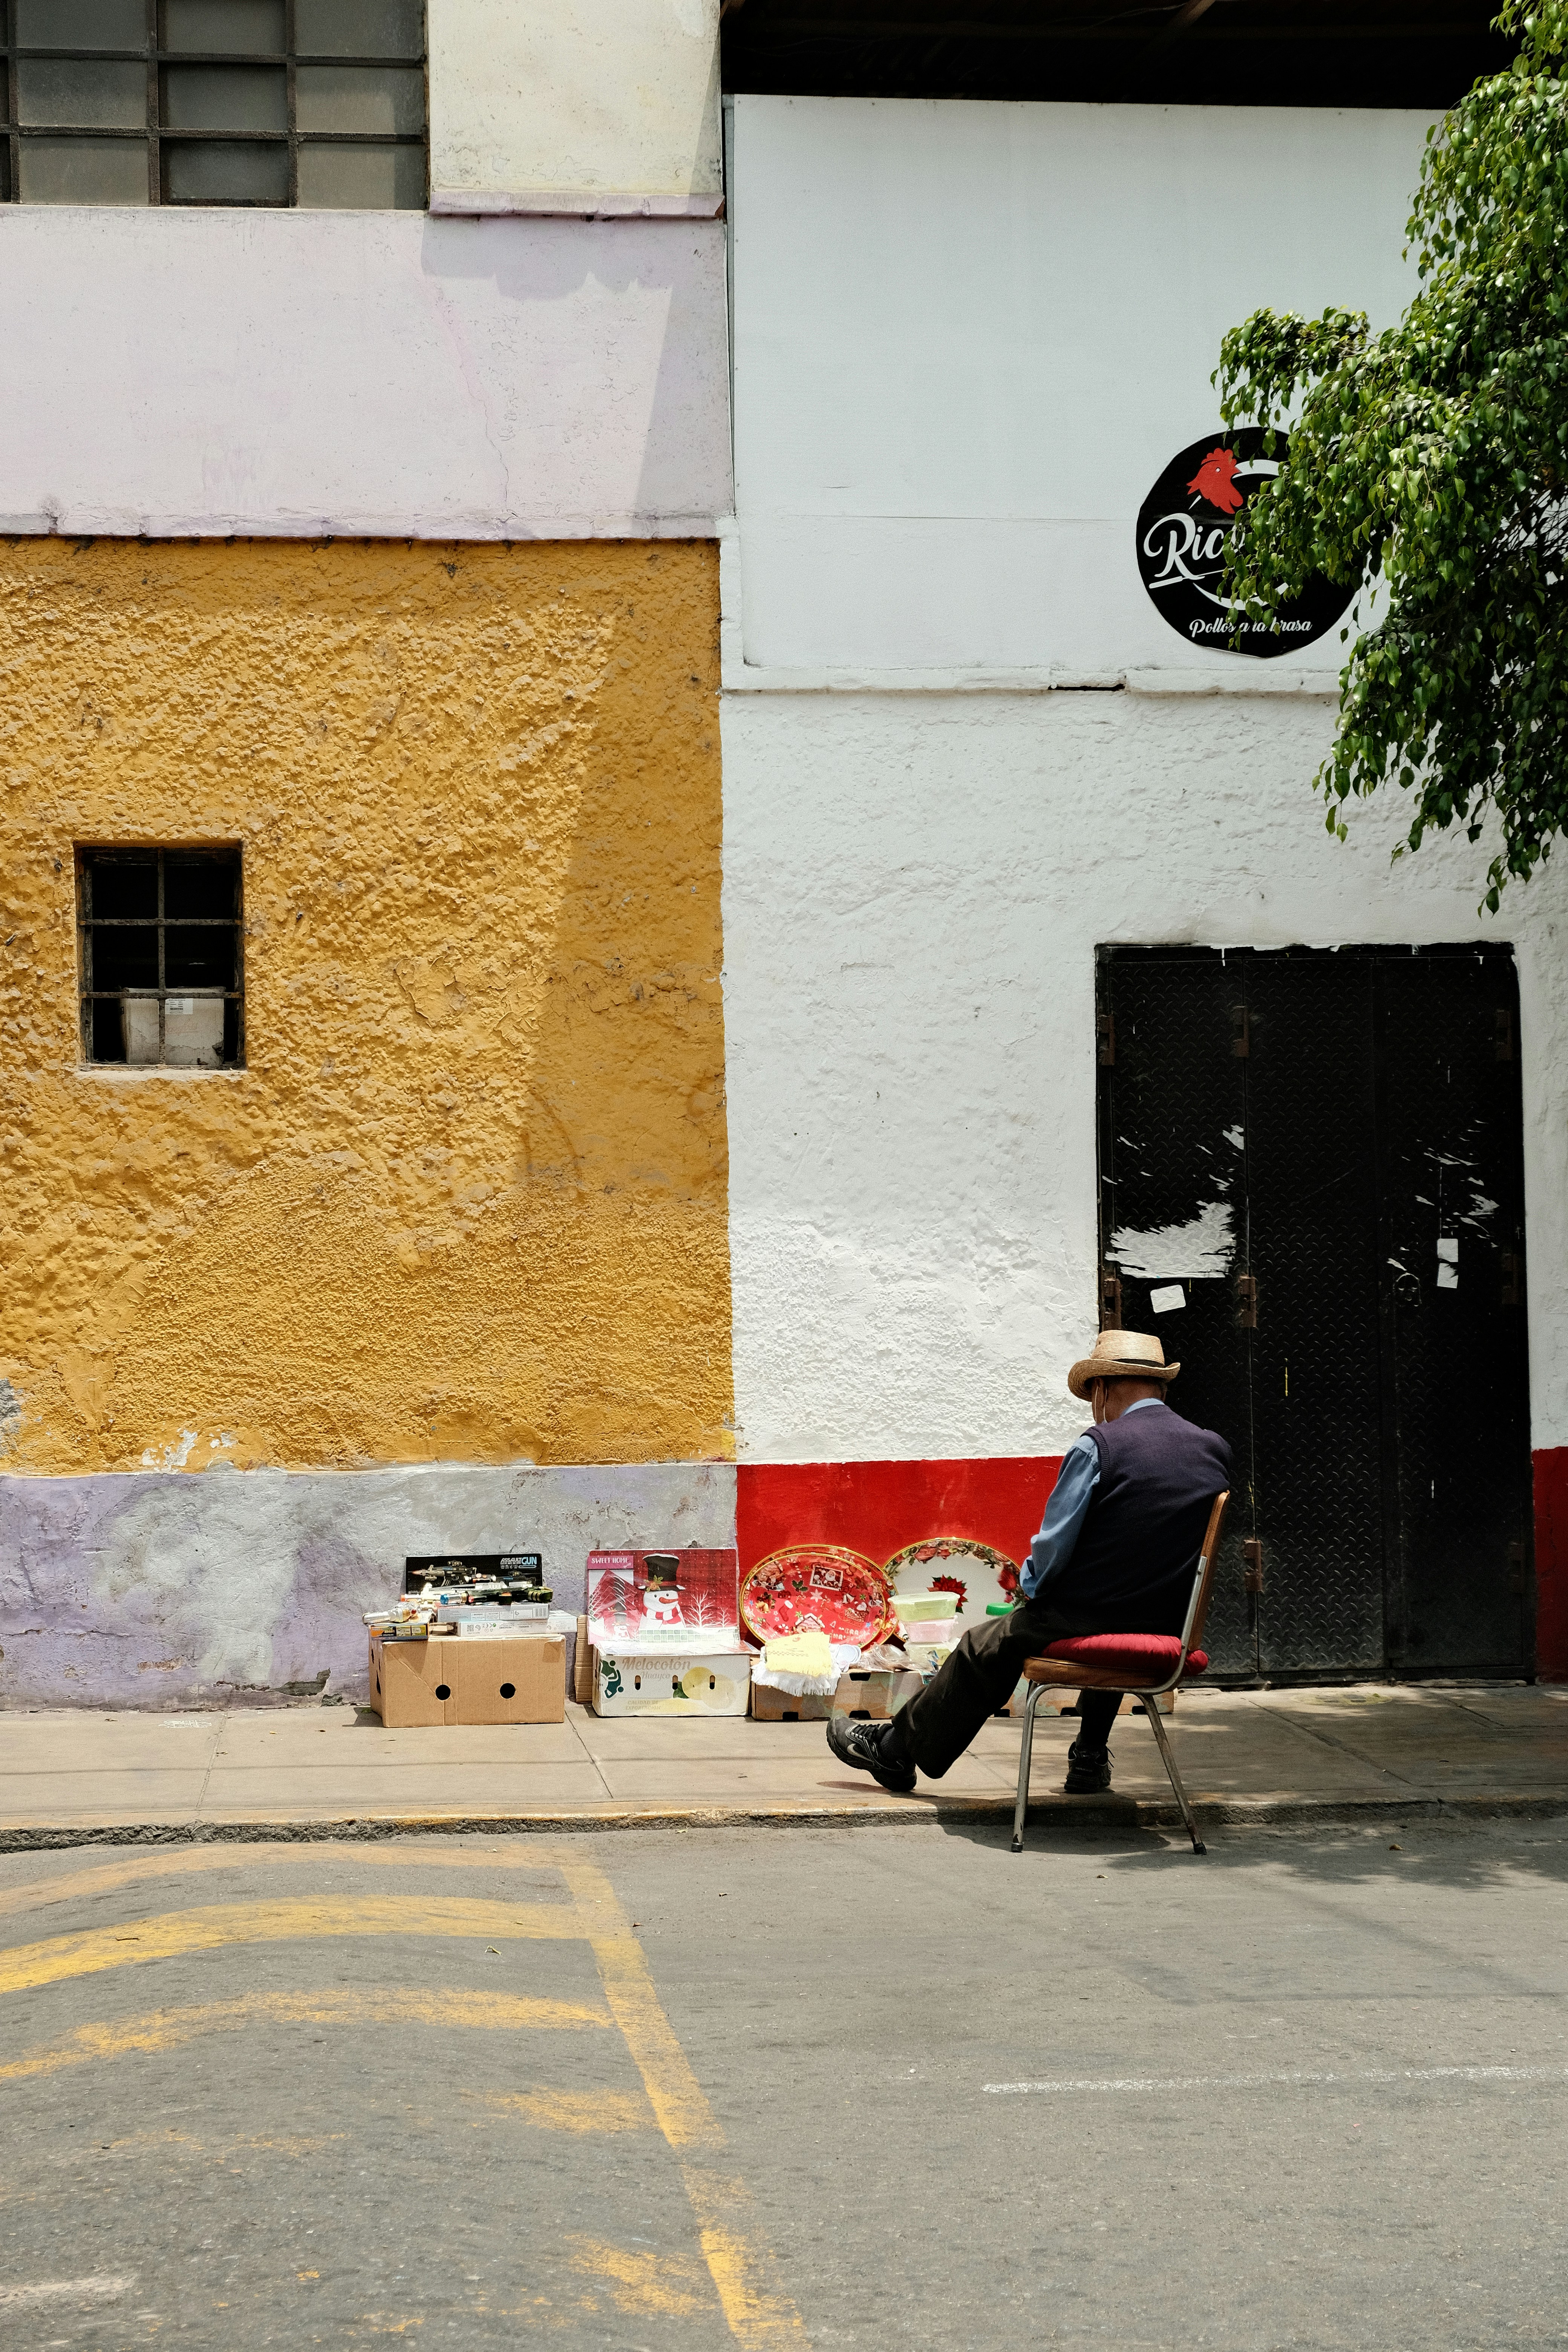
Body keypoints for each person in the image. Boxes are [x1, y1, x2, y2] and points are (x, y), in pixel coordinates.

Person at [827, 1330, 1232, 1796]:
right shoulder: (1212, 1447)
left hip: (1091, 1615)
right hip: (1170, 1625)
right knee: (1106, 1620)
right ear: (1159, 1388)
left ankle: (894, 1749)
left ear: (1100, 1389)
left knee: (983, 1646)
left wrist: (1031, 1594)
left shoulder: (1098, 1445)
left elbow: (1054, 1547)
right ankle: (1088, 1756)